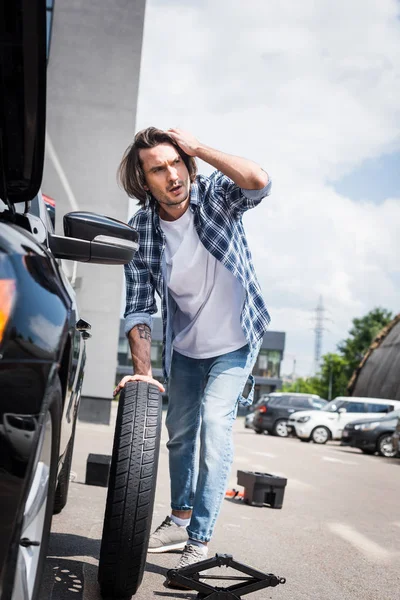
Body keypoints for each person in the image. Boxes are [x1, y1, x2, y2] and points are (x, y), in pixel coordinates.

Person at [114, 127, 271, 582]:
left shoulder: (216, 196)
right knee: (180, 433)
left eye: (175, 163)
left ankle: (199, 542)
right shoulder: (141, 227)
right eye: (158, 169)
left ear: (187, 164)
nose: (171, 175)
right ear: (145, 182)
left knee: (216, 425)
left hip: (237, 339)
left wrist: (198, 147)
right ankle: (179, 522)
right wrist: (142, 372)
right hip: (186, 347)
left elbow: (258, 180)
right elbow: (139, 301)